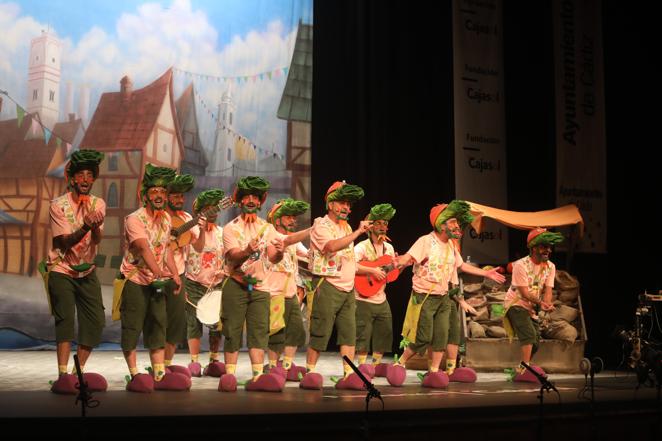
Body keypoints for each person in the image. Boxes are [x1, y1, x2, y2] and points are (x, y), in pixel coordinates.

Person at [392, 201, 505, 388]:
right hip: (424, 297)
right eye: (452, 222)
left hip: (443, 297)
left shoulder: (452, 245)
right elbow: (409, 257)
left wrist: (486, 273)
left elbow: (460, 265)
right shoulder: (426, 241)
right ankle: (400, 362)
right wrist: (399, 261)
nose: (457, 226)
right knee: (423, 338)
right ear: (441, 223)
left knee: (441, 336)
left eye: (457, 223)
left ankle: (434, 372)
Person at [119, 164, 189, 392]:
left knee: (159, 322)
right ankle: (134, 373)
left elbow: (166, 249)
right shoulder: (134, 219)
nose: (159, 196)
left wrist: (175, 275)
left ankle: (158, 373)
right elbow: (143, 248)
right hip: (136, 280)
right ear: (145, 195)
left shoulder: (167, 219)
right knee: (133, 325)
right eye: (154, 192)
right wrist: (159, 273)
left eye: (162, 192)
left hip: (157, 282)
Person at [47, 149, 107, 394]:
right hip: (62, 268)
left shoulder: (98, 203)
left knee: (95, 321)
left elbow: (98, 238)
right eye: (80, 174)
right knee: (65, 320)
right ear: (71, 178)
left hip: (87, 270)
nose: (85, 179)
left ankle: (77, 372)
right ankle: (62, 375)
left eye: (89, 175)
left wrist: (95, 227)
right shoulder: (58, 205)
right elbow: (64, 242)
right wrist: (85, 225)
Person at [302, 181, 372, 391]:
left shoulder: (347, 226)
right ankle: (310, 371)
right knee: (321, 330)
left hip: (347, 288)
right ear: (331, 204)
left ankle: (348, 375)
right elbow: (330, 247)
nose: (347, 208)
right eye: (342, 203)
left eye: (349, 205)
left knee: (349, 333)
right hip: (327, 284)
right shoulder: (320, 224)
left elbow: (348, 258)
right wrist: (359, 232)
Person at [220, 176, 286, 392]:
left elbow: (274, 258)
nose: (250, 201)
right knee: (232, 330)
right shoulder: (230, 228)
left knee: (259, 331)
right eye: (246, 197)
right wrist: (248, 249)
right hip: (236, 284)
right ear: (240, 201)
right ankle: (229, 376)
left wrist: (280, 253)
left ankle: (257, 376)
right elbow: (233, 257)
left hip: (260, 287)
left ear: (260, 203)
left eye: (255, 198)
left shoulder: (268, 229)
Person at [503, 227, 562, 382]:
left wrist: (547, 303)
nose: (547, 250)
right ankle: (525, 367)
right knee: (528, 335)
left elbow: (548, 289)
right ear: (533, 247)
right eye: (543, 246)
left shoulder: (551, 266)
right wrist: (541, 302)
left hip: (531, 306)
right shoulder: (520, 265)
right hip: (515, 304)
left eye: (549, 247)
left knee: (535, 342)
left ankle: (520, 369)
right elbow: (524, 293)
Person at [264, 198, 311, 382]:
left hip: (291, 292)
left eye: (294, 217)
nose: (293, 220)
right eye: (288, 217)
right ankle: (274, 367)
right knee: (276, 332)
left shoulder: (294, 242)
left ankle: (286, 365)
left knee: (296, 330)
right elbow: (286, 241)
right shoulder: (271, 234)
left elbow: (306, 255)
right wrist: (310, 230)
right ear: (277, 220)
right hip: (274, 292)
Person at [184, 189, 227, 378]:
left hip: (215, 284)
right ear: (200, 212)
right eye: (207, 209)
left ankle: (214, 359)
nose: (212, 212)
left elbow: (227, 257)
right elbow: (197, 247)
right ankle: (194, 361)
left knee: (215, 324)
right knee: (193, 323)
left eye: (214, 209)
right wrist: (201, 228)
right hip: (194, 282)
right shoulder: (191, 231)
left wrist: (225, 270)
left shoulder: (222, 232)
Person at [353, 203, 397, 378]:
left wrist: (401, 265)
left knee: (384, 332)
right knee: (363, 334)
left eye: (385, 224)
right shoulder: (361, 247)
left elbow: (391, 275)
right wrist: (371, 270)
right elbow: (352, 266)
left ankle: (376, 365)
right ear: (370, 226)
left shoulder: (389, 248)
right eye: (378, 223)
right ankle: (362, 367)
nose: (382, 227)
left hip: (381, 297)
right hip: (362, 298)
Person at [163, 173, 196, 377]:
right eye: (175, 195)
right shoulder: (159, 217)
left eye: (182, 196)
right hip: (156, 274)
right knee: (158, 321)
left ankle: (166, 365)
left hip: (179, 274)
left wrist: (197, 230)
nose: (179, 200)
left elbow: (198, 245)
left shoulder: (188, 219)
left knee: (176, 324)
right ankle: (157, 365)